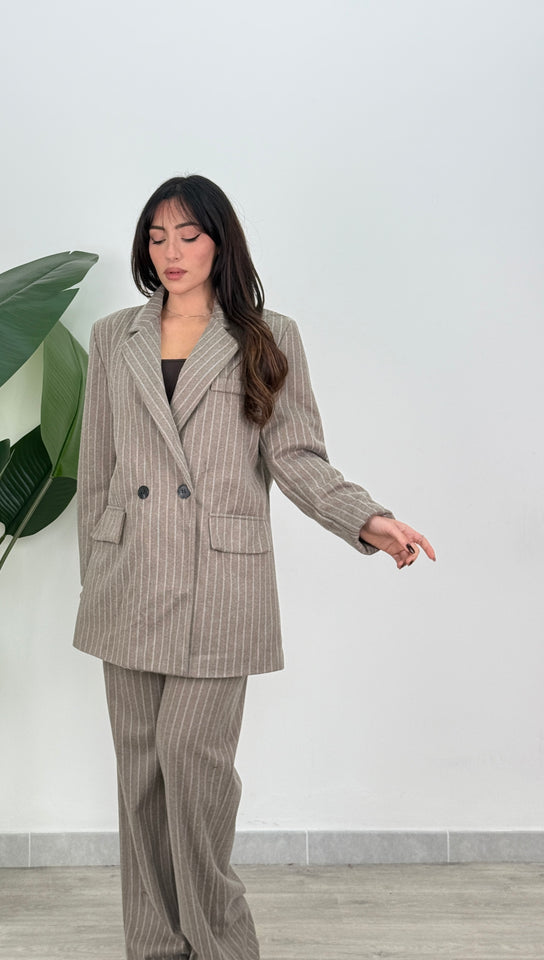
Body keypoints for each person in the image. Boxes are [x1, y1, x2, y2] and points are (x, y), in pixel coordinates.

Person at [73, 174, 436, 960]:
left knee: (192, 768)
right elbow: (95, 469)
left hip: (218, 580)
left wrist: (364, 519)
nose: (170, 252)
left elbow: (295, 454)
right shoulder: (112, 338)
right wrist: (95, 573)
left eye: (188, 235)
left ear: (220, 241)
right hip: (127, 578)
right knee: (140, 777)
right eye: (157, 237)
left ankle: (223, 944)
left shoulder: (267, 336)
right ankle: (155, 946)